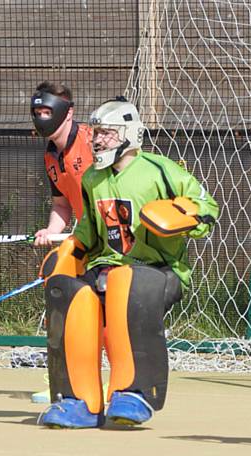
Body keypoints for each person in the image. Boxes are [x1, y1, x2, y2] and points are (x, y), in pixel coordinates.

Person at [38, 97, 219, 429]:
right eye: (96, 133)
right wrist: (72, 251)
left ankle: (133, 393)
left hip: (160, 271)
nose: (97, 140)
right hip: (108, 266)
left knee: (125, 282)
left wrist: (185, 216)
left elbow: (207, 207)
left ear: (129, 134)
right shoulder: (92, 179)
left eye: (106, 134)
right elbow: (90, 233)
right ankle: (79, 401)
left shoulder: (160, 171)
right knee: (72, 295)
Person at [30, 81, 93, 247]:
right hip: (90, 240)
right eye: (38, 113)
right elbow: (61, 205)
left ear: (68, 113)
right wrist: (50, 231)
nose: (42, 119)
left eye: (47, 112)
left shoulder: (92, 141)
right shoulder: (50, 158)